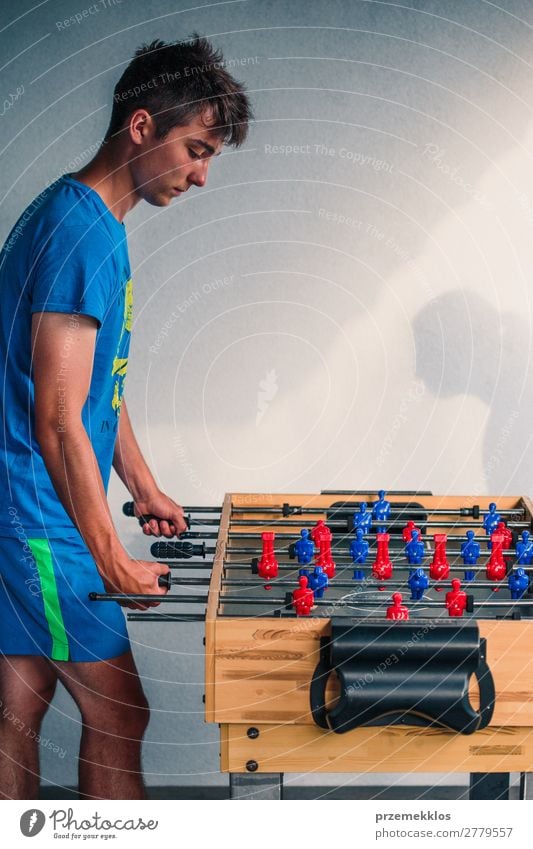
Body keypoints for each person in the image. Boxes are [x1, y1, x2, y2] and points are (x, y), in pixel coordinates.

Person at [0, 35, 252, 800]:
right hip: (39, 523)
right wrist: (109, 558)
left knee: (17, 708)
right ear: (141, 127)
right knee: (120, 713)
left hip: (34, 512)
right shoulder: (81, 236)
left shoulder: (81, 218)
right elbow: (54, 417)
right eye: (196, 148)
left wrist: (140, 483)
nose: (202, 175)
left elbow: (93, 384)